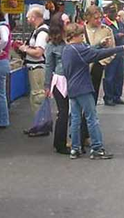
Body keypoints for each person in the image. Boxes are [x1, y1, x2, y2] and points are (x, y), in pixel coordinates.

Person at [62, 23, 124, 160]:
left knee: (75, 119)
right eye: (81, 35)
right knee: (91, 118)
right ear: (74, 36)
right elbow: (97, 54)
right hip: (83, 87)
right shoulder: (79, 49)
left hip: (72, 87)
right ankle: (97, 148)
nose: (83, 37)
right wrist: (120, 48)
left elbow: (91, 50)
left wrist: (99, 44)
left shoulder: (67, 49)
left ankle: (75, 148)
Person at [18, 7, 50, 137]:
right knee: (37, 96)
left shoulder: (42, 33)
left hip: (38, 68)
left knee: (38, 97)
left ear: (34, 17)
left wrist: (24, 49)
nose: (27, 19)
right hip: (36, 68)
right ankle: (39, 124)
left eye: (28, 17)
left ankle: (41, 126)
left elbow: (38, 52)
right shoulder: (39, 31)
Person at [44, 13, 71, 154]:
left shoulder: (71, 39)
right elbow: (49, 65)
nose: (69, 24)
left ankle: (74, 139)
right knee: (63, 112)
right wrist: (47, 85)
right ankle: (59, 143)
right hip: (60, 80)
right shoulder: (52, 45)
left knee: (71, 112)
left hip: (73, 79)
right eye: (66, 22)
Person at [83, 5, 115, 103]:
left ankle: (90, 115)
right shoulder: (79, 30)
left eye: (100, 18)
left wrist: (102, 63)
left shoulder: (106, 31)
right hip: (82, 66)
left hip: (97, 66)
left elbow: (112, 50)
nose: (99, 20)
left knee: (94, 92)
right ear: (88, 18)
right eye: (95, 18)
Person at [102, 5, 124, 106]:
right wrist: (117, 36)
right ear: (107, 13)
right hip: (110, 53)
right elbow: (105, 37)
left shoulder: (119, 23)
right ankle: (108, 97)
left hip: (120, 52)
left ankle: (117, 96)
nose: (114, 14)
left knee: (119, 76)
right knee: (109, 76)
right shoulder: (104, 24)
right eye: (112, 12)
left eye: (115, 12)